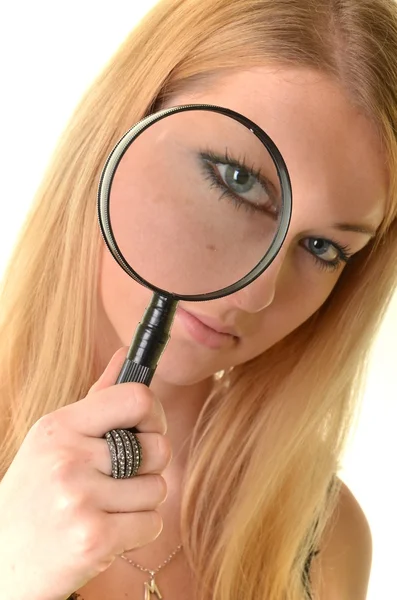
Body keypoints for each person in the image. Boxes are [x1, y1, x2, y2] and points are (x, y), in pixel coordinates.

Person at [0, 0, 396, 598]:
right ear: (124, 125)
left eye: (322, 247)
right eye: (236, 181)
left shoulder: (320, 539)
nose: (259, 291)